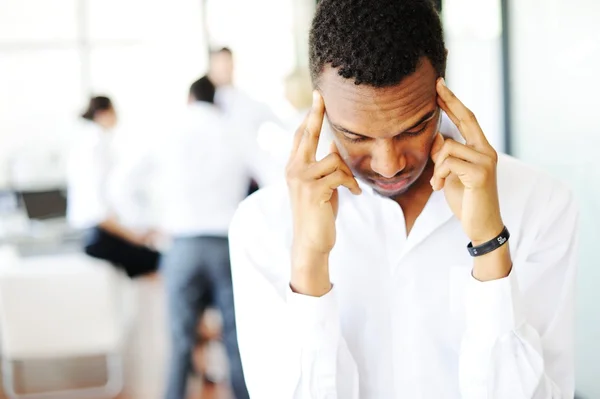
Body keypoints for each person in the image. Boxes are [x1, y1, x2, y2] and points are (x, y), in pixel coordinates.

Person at [228, 0, 578, 398]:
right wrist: (309, 259)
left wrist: (490, 247)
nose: (389, 165)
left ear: (442, 84)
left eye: (413, 128)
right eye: (356, 136)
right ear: (318, 101)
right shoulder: (263, 225)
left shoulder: (540, 204)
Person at [158, 76, 253, 399]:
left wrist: (150, 223)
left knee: (180, 341)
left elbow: (122, 184)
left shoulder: (169, 130)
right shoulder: (233, 131)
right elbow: (273, 176)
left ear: (189, 98)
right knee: (236, 339)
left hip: (182, 244)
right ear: (217, 101)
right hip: (226, 243)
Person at [67, 96, 159, 278]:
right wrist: (134, 236)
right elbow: (98, 212)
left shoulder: (93, 145)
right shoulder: (93, 149)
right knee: (158, 260)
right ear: (103, 113)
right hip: (98, 236)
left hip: (100, 230)